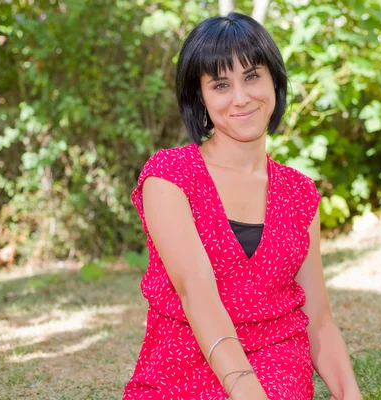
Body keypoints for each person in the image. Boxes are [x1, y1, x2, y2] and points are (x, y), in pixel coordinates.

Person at [123, 12, 363, 400]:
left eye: (252, 76)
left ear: (274, 80)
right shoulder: (169, 176)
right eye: (220, 84)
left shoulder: (300, 194)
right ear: (199, 97)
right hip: (180, 366)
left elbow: (318, 321)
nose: (241, 97)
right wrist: (245, 390)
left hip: (276, 367)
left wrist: (351, 396)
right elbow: (195, 291)